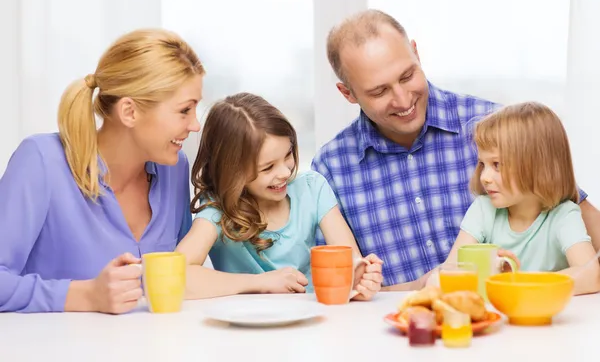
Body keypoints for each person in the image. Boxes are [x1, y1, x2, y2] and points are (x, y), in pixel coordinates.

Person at [311, 9, 600, 291]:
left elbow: (566, 206)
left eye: (407, 76)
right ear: (347, 93)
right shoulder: (331, 168)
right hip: (397, 331)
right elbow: (342, 291)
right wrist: (418, 286)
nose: (402, 100)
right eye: (380, 92)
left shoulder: (493, 129)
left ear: (416, 53)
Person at [0, 29, 204, 313]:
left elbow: (183, 276)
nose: (195, 125)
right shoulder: (42, 162)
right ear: (130, 112)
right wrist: (85, 295)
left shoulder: (174, 168)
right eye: (184, 111)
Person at [175, 93, 383, 300]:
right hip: (245, 328)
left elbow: (350, 261)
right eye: (268, 167)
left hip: (309, 322)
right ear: (233, 172)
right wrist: (260, 283)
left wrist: (359, 281)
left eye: (288, 154)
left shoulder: (312, 189)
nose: (284, 172)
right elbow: (176, 277)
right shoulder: (219, 210)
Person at [430, 102, 600, 295]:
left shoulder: (564, 215)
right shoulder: (483, 210)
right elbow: (449, 270)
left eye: (497, 165)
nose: (484, 177)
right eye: (482, 164)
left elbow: (591, 275)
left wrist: (519, 282)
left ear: (537, 166)